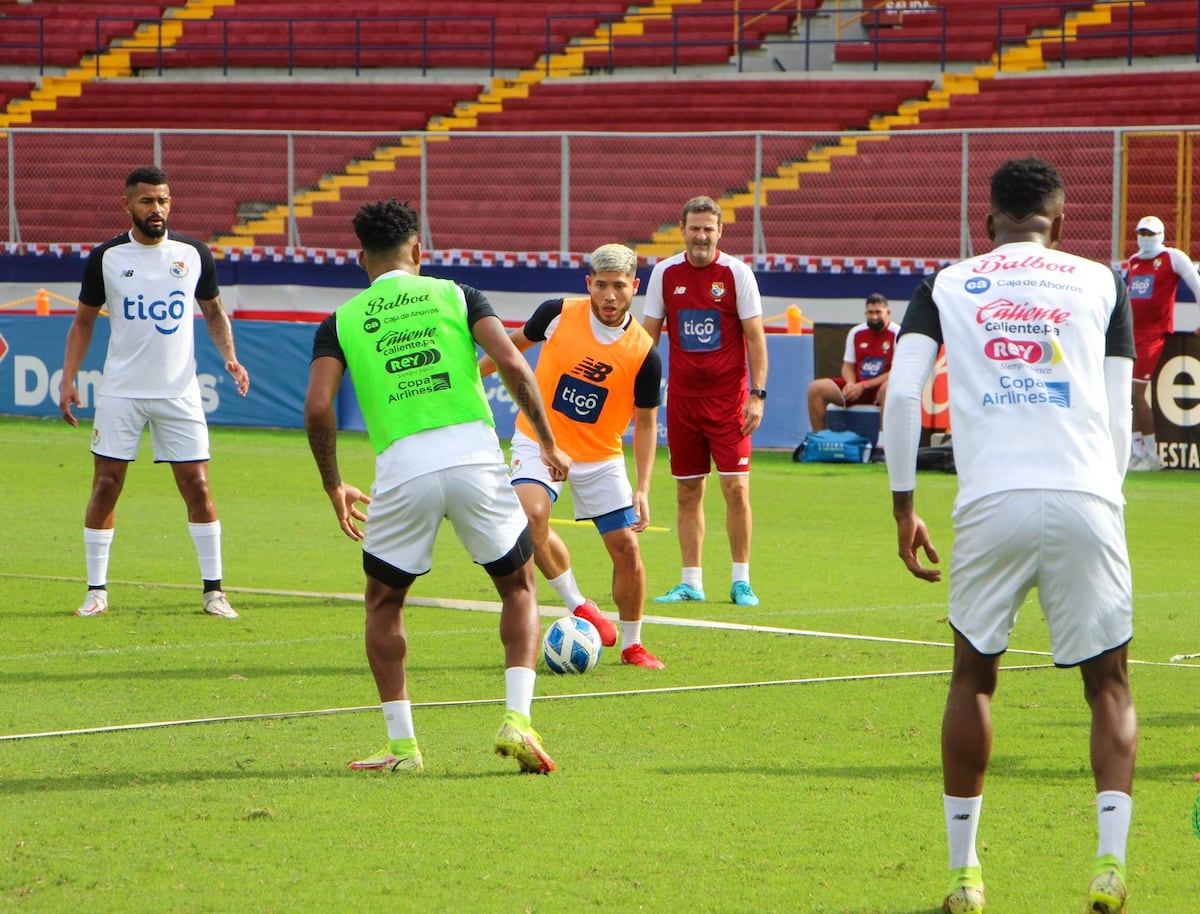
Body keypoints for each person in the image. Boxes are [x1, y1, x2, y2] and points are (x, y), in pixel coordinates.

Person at [884, 157, 1136, 914]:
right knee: (1110, 686)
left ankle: (965, 876)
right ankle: (1108, 867)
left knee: (973, 677)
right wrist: (1105, 496)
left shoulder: (948, 283)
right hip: (1089, 493)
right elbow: (1121, 414)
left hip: (990, 501)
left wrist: (904, 504)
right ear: (1060, 224)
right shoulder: (1102, 281)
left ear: (983, 224)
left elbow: (901, 396)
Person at [304, 198, 572, 774]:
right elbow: (511, 362)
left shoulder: (342, 320)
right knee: (519, 587)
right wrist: (547, 442)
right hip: (475, 459)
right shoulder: (457, 294)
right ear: (418, 251)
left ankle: (403, 748)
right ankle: (517, 721)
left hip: (402, 470)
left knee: (384, 602)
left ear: (361, 260)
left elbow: (319, 405)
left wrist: (334, 484)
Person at [58, 165, 251, 620]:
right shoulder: (106, 258)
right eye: (147, 201)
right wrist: (68, 378)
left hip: (179, 393)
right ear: (127, 205)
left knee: (198, 487)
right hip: (122, 392)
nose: (157, 209)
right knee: (106, 486)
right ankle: (96, 591)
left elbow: (214, 313)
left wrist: (230, 355)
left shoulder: (194, 253)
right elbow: (83, 321)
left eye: (163, 200)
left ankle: (214, 592)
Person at [480, 243, 665, 669]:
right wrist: (470, 375)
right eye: (601, 285)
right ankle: (579, 604)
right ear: (589, 284)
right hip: (538, 440)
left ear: (634, 287)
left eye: (619, 285)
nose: (610, 295)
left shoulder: (644, 353)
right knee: (529, 518)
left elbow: (648, 424)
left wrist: (643, 487)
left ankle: (633, 645)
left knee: (627, 550)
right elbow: (511, 351)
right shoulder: (557, 312)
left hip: (601, 456)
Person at [642, 195, 769, 607]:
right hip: (682, 402)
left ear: (720, 231)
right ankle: (691, 581)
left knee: (736, 489)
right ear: (682, 229)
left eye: (708, 229)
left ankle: (741, 580)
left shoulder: (737, 274)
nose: (701, 235)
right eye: (695, 228)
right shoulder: (664, 273)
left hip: (729, 402)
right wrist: (634, 387)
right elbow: (647, 338)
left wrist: (758, 395)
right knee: (687, 491)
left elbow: (755, 339)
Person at [1122, 214, 1200, 470]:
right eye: (1141, 234)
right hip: (1132, 335)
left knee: (1136, 393)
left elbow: (1196, 286)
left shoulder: (1172, 258)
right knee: (1128, 395)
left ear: (1161, 235)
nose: (1145, 239)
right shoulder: (1133, 262)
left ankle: (1153, 454)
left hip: (1153, 336)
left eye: (1150, 234)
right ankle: (1136, 451)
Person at [806, 292, 899, 460]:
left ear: (888, 313)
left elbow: (896, 370)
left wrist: (864, 385)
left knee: (890, 386)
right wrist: (850, 383)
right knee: (816, 388)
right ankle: (820, 442)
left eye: (878, 312)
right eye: (870, 313)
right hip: (856, 386)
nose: (874, 317)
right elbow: (848, 365)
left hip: (878, 389)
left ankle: (881, 446)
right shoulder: (856, 332)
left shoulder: (897, 333)